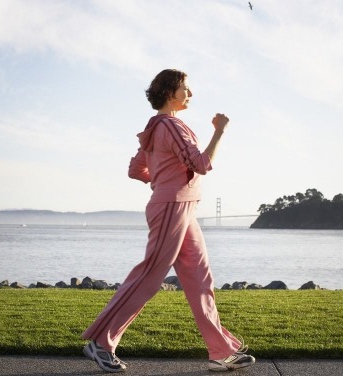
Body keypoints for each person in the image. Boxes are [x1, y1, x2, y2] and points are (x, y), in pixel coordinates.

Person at [81, 69, 254, 373]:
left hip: (182, 207)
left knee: (200, 280)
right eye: (186, 88)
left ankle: (221, 351)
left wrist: (162, 180)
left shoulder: (154, 129)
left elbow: (137, 170)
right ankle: (101, 342)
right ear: (170, 92)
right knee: (149, 276)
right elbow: (201, 164)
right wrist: (219, 131)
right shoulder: (171, 125)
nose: (190, 94)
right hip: (172, 208)